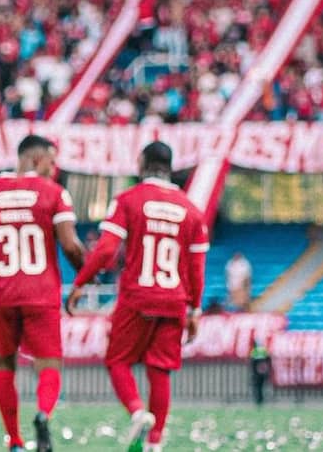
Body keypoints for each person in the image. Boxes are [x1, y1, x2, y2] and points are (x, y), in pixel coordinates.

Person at [66, 142, 209, 452]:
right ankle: (154, 443)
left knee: (118, 360)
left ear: (142, 163)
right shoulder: (192, 211)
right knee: (160, 370)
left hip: (137, 297)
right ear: (170, 167)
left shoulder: (129, 200)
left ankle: (137, 412)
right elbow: (197, 269)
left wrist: (80, 283)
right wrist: (195, 310)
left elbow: (105, 250)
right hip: (174, 300)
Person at [0, 134, 85, 452]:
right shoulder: (54, 193)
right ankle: (42, 414)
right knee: (49, 366)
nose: (54, 169)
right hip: (41, 293)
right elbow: (70, 244)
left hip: (1, 294)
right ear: (37, 159)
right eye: (52, 162)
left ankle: (14, 440)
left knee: (4, 365)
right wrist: (87, 275)